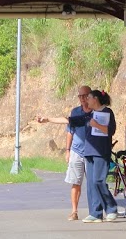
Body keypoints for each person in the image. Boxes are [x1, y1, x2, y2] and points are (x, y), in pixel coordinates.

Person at [40, 89, 119, 223]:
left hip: (101, 152)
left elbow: (110, 131)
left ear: (95, 99)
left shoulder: (107, 112)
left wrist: (97, 125)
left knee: (99, 180)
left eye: (88, 98)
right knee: (91, 184)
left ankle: (111, 208)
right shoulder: (90, 115)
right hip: (88, 152)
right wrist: (48, 119)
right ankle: (95, 213)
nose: (86, 100)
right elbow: (69, 120)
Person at [37, 85, 92, 220]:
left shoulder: (96, 112)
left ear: (91, 96)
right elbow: (69, 131)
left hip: (92, 152)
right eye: (80, 96)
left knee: (93, 183)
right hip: (77, 151)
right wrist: (67, 150)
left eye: (85, 95)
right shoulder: (75, 112)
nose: (82, 98)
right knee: (76, 182)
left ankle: (95, 212)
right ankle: (74, 211)